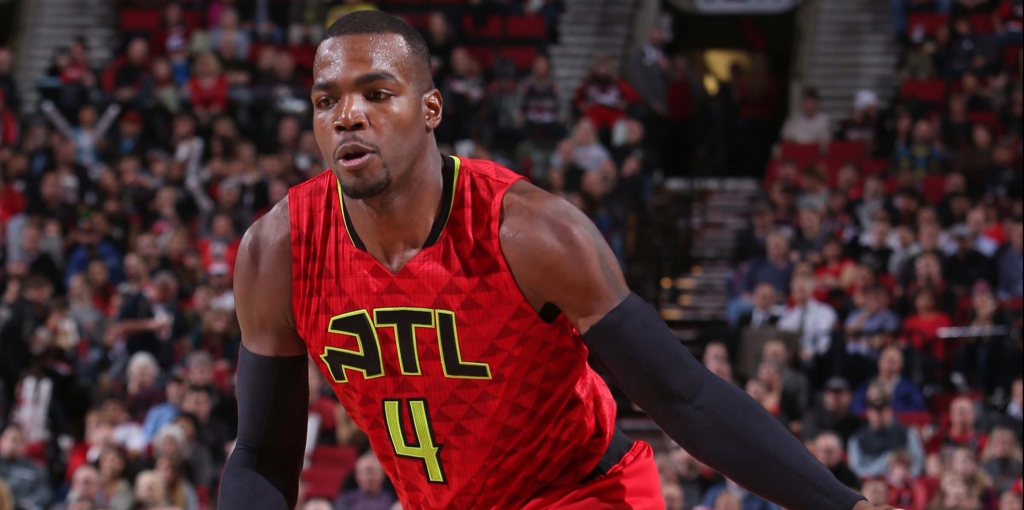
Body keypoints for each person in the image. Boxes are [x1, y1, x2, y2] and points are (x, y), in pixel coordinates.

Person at [217, 11, 889, 510]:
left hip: (584, 494)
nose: (348, 116)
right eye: (327, 100)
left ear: (429, 109)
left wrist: (844, 505)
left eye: (376, 93)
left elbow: (684, 397)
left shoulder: (530, 231)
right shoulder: (277, 251)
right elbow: (260, 457)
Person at [847, 390, 925, 479]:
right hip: (871, 485)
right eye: (875, 410)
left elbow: (918, 463)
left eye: (882, 410)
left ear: (890, 411)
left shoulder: (907, 432)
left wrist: (907, 476)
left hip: (902, 484)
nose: (879, 415)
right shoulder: (857, 438)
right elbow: (855, 470)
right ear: (868, 413)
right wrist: (882, 466)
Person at [0, 424, 52, 510]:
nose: (12, 445)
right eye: (7, 439)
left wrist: (27, 503)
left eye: (17, 441)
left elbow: (45, 493)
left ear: (24, 444)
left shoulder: (35, 468)